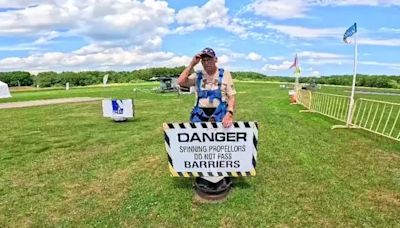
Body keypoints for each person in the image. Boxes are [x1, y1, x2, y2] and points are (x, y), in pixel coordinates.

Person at [177, 47, 236, 198]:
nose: (206, 62)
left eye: (209, 59)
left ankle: (221, 175)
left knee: (220, 148)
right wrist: (191, 64)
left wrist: (229, 113)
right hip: (200, 116)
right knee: (200, 147)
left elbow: (232, 97)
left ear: (215, 59)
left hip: (219, 116)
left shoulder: (225, 74)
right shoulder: (197, 75)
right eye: (203, 60)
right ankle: (203, 175)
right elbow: (181, 82)